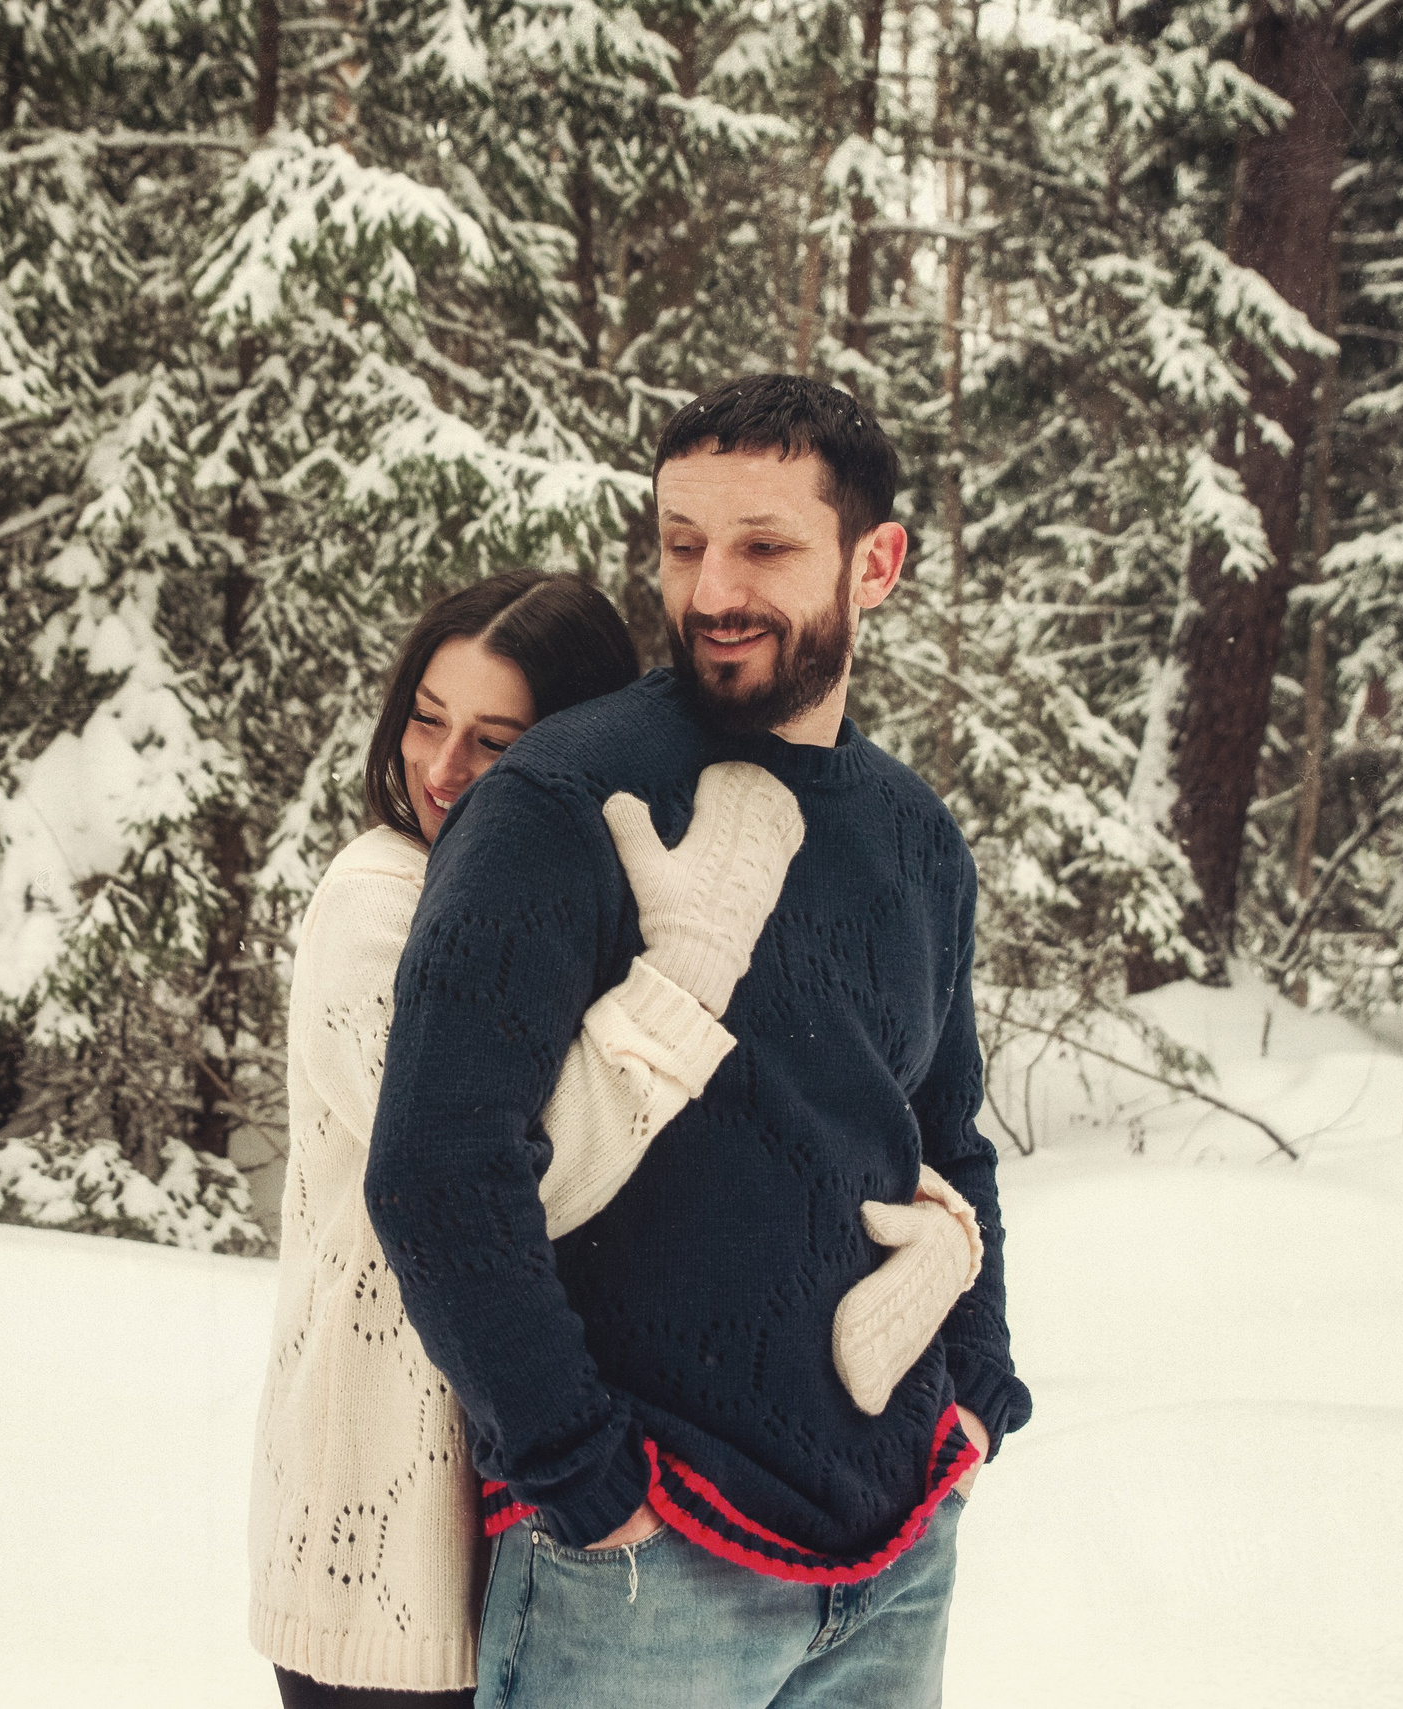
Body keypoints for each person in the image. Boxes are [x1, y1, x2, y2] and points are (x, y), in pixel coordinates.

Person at [363, 376, 1030, 1709]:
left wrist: (979, 1386)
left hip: (897, 1548)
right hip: (649, 1566)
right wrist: (574, 1466)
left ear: (876, 562)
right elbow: (438, 1164)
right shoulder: (558, 797)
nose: (712, 587)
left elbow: (946, 1135)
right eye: (682, 543)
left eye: (765, 546)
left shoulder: (914, 835)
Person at [254, 569, 959, 1706]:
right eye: (426, 719)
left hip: (558, 1533)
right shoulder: (377, 901)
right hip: (394, 1539)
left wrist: (944, 1239)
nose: (442, 770)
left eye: (495, 739)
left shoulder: (569, 896)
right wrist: (684, 973)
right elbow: (492, 1181)